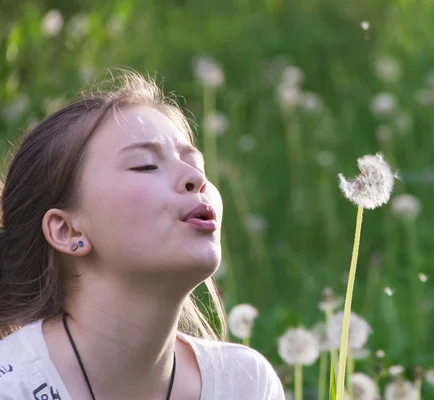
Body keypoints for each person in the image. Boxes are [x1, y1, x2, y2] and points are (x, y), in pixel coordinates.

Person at [0, 71, 285, 399]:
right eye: (147, 166)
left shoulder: (244, 383)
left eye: (197, 166)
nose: (195, 179)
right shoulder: (12, 387)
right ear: (68, 231)